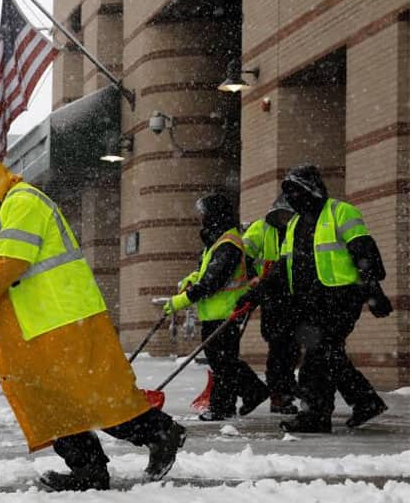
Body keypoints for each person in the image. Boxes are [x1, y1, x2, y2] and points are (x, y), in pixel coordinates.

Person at [0, 151, 185, 492]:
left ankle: (159, 433)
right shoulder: (13, 210)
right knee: (53, 403)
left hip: (65, 321)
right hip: (42, 326)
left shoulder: (23, 202)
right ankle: (88, 469)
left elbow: (11, 262)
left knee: (89, 397)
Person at [237, 165, 391, 433]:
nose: (292, 197)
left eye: (296, 190)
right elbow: (281, 270)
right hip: (310, 302)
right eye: (289, 192)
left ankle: (316, 416)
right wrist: (257, 292)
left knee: (317, 357)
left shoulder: (340, 211)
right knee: (328, 354)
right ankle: (365, 401)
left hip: (341, 297)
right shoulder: (295, 224)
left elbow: (365, 254)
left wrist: (373, 292)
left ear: (311, 189)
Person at [164, 193, 270, 421]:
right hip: (215, 311)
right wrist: (189, 280)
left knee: (223, 361)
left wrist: (181, 301)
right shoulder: (216, 241)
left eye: (203, 213)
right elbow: (205, 272)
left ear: (214, 215)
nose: (200, 218)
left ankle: (229, 403)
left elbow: (213, 281)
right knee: (221, 359)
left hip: (227, 309)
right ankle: (242, 396)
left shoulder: (228, 244)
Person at [242, 194, 300, 414]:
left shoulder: (301, 228)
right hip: (272, 297)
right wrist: (252, 279)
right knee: (279, 349)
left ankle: (286, 389)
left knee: (292, 349)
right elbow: (243, 254)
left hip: (295, 297)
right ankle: (279, 394)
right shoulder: (261, 229)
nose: (284, 219)